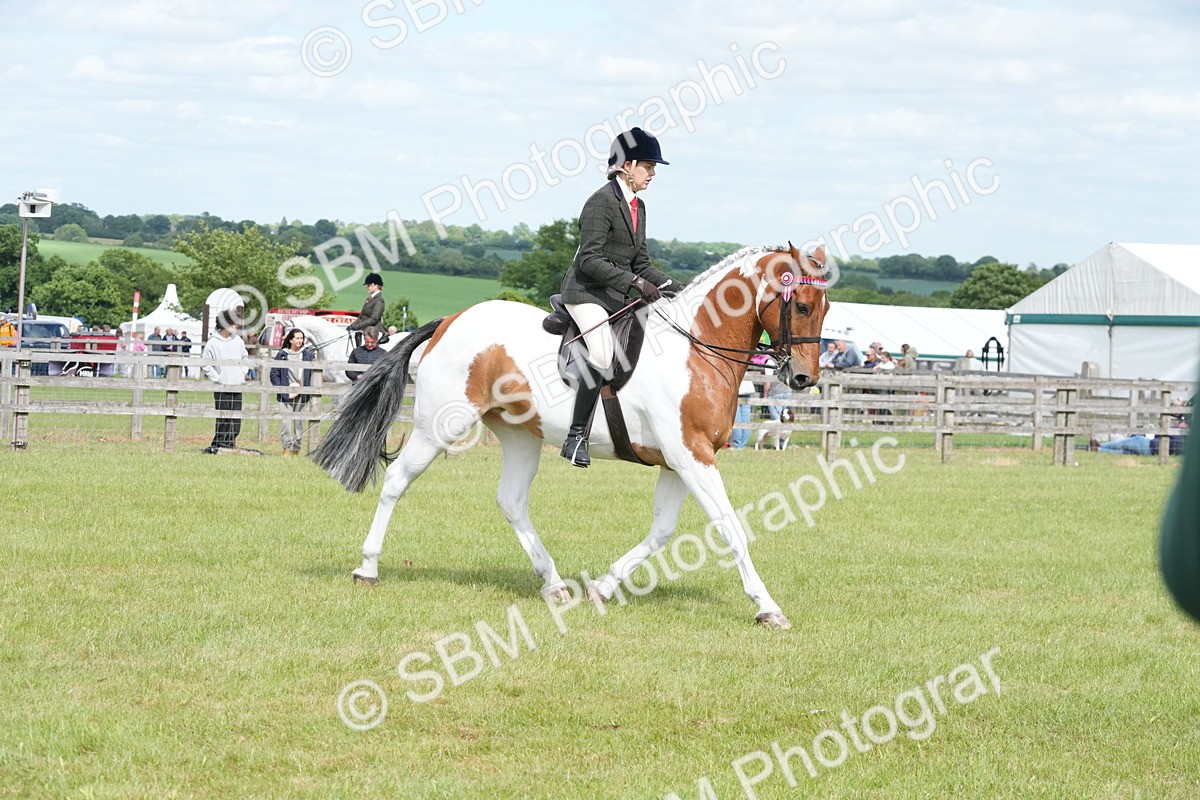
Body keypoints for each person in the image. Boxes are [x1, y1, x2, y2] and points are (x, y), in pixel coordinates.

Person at [557, 127, 685, 467]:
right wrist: (635, 283)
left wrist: (675, 286)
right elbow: (589, 259)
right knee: (601, 351)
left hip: (614, 296)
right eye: (648, 166)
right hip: (585, 293)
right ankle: (576, 437)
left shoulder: (637, 206)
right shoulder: (600, 202)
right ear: (627, 166)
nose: (653, 174)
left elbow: (642, 262)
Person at [201, 313, 250, 453]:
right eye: (234, 323)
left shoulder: (238, 340)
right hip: (222, 386)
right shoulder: (213, 342)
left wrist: (243, 372)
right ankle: (220, 444)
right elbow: (206, 364)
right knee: (223, 417)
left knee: (236, 418)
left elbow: (245, 357)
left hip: (237, 384)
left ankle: (231, 443)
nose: (236, 326)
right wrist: (218, 379)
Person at [270, 328, 314, 455]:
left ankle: (296, 449)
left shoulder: (307, 355)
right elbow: (274, 373)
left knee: (299, 422)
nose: (300, 340)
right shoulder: (282, 355)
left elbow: (314, 373)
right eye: (297, 338)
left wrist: (307, 388)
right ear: (290, 340)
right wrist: (281, 389)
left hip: (302, 394)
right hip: (286, 394)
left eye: (301, 338)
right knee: (286, 423)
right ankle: (286, 448)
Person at [349, 273, 386, 346]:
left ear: (375, 285)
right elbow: (360, 317)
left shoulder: (379, 300)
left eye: (369, 285)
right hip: (364, 329)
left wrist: (358, 326)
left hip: (373, 330)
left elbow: (374, 319)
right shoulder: (369, 299)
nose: (367, 287)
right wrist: (352, 325)